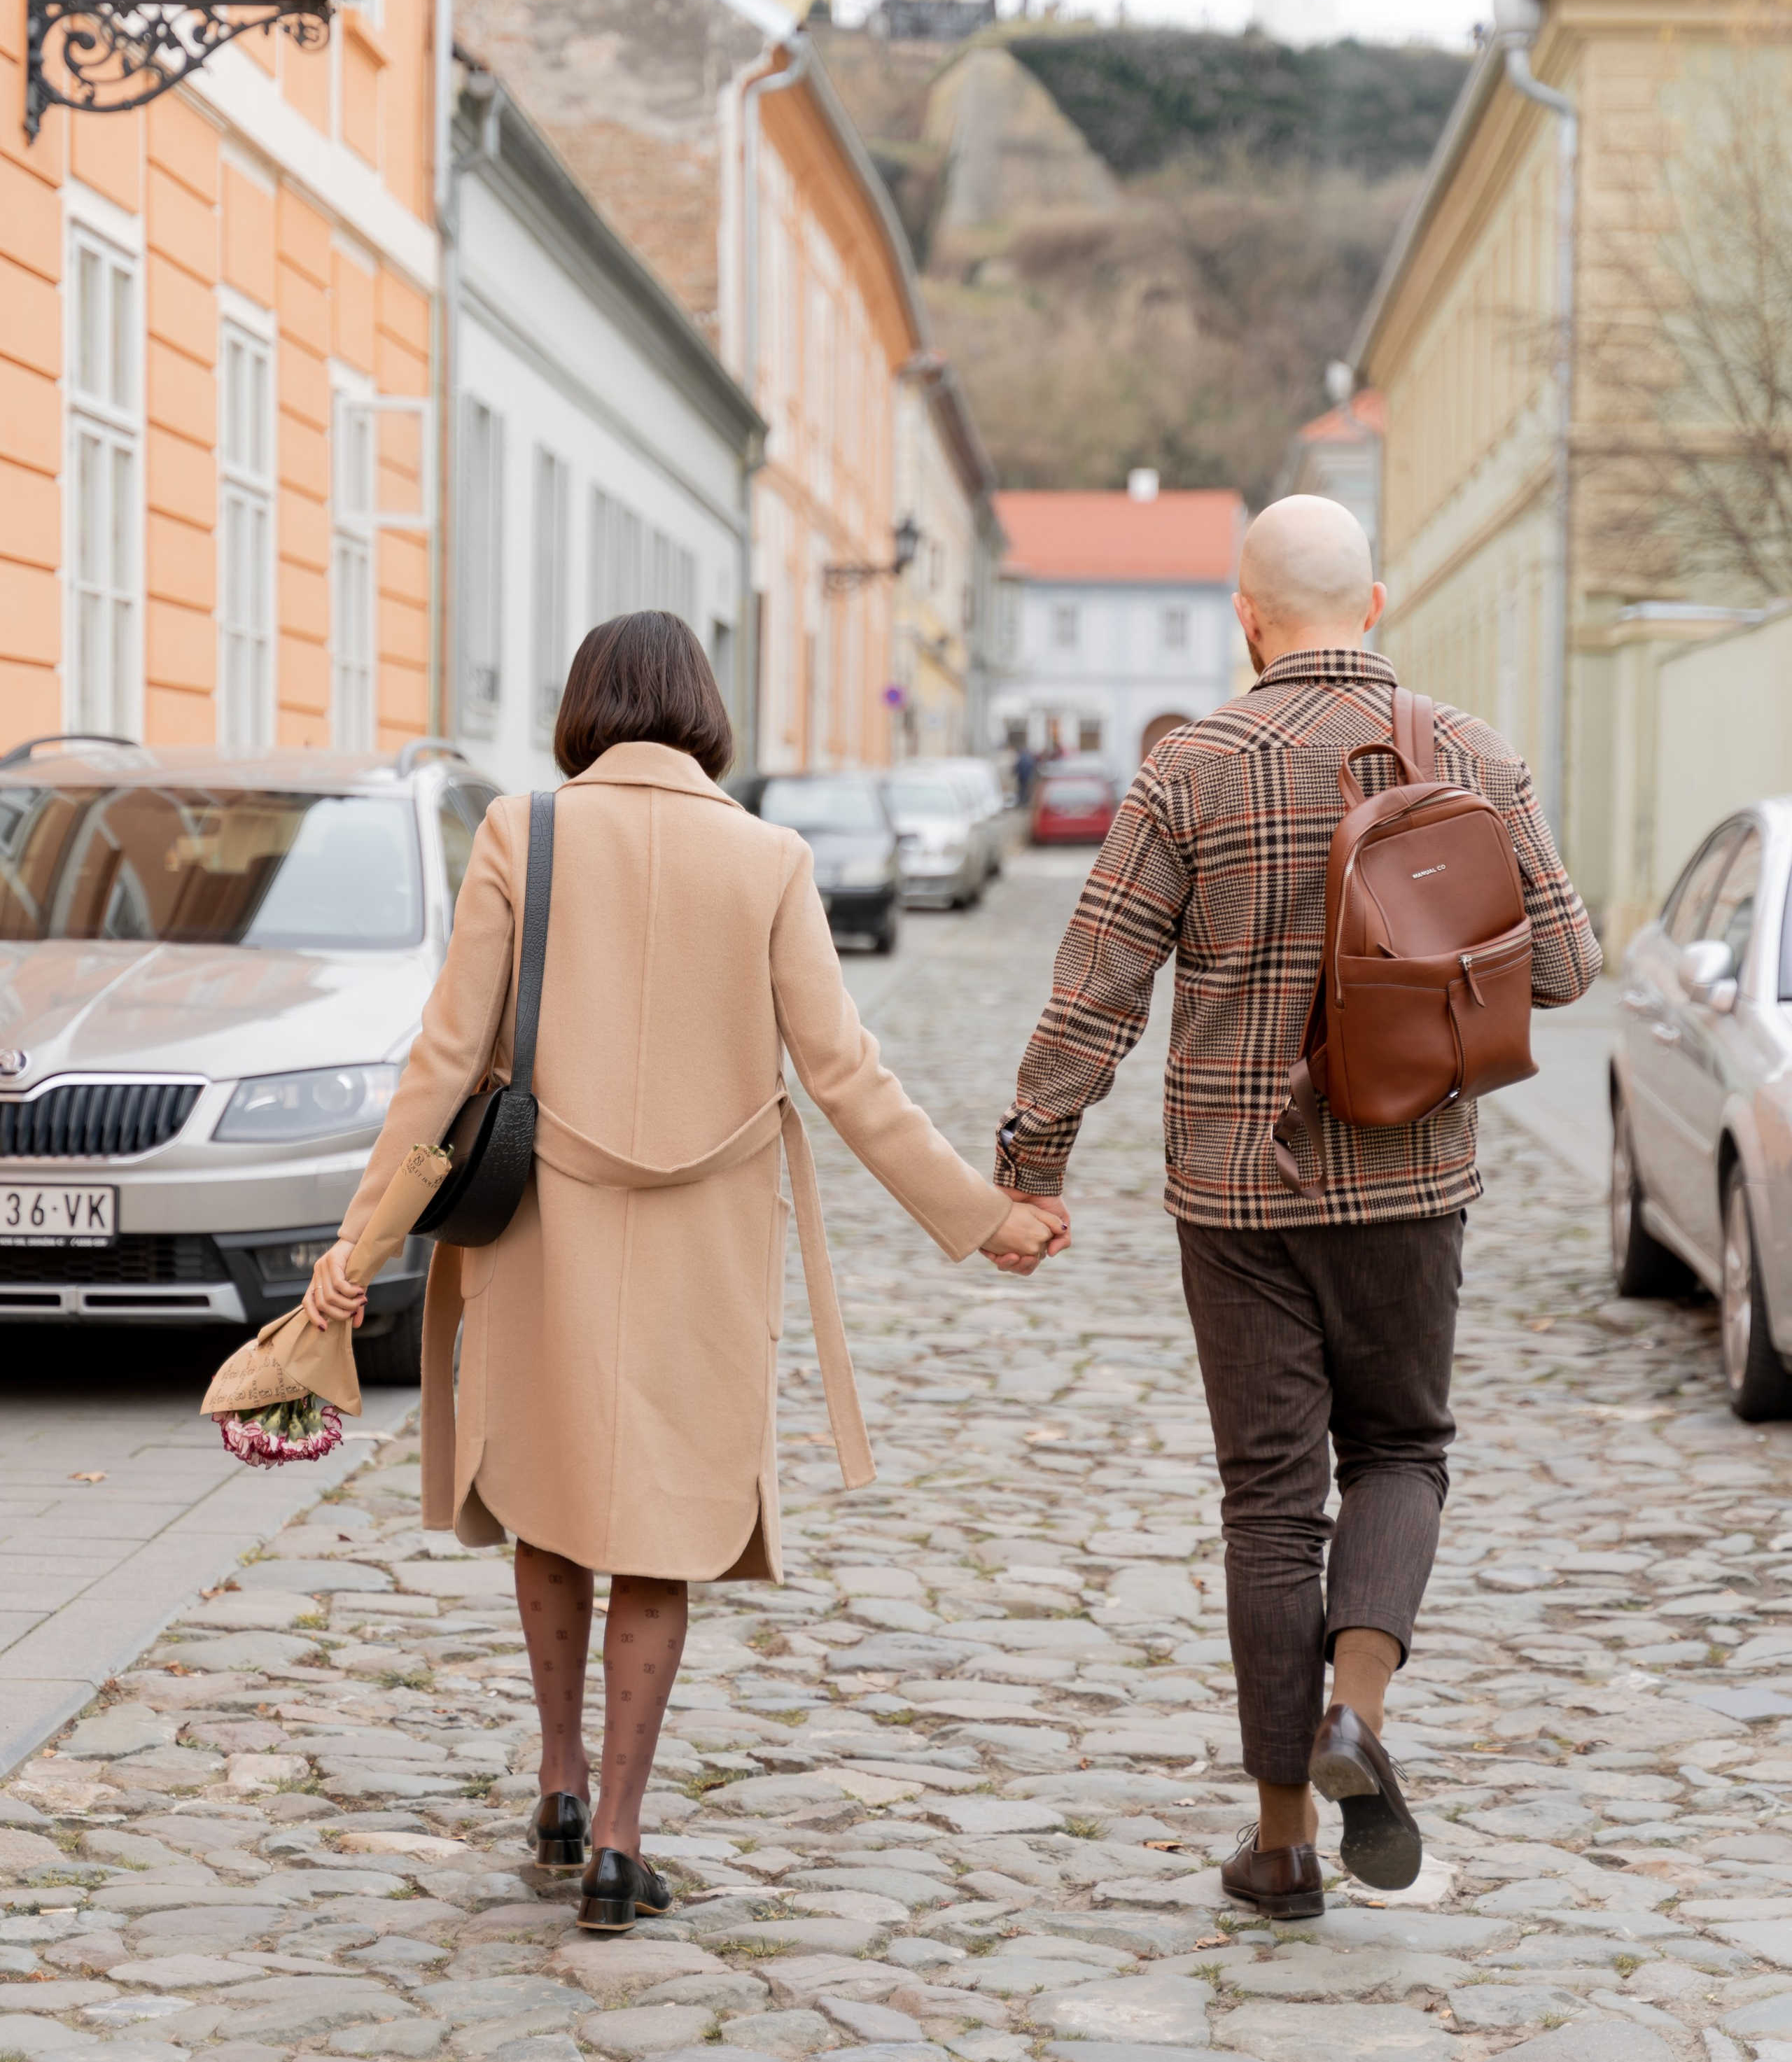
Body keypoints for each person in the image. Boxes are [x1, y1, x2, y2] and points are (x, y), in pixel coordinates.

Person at [309, 611, 1067, 1932]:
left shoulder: (522, 836)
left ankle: (555, 1781)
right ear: (707, 713)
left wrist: (355, 1248)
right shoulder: (769, 857)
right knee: (660, 1524)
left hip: (545, 1221)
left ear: (583, 706)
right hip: (704, 1244)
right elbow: (845, 1074)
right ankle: (617, 1839)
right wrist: (980, 1215)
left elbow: (442, 1065)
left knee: (547, 1500)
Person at [993, 495, 1599, 1919]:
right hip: (1408, 1177)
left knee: (1267, 1505)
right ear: (1373, 605)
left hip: (1234, 1190)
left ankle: (1278, 1848)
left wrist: (1032, 1161)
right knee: (1399, 1448)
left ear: (1244, 616)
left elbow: (1096, 987)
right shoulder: (1468, 752)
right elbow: (1565, 967)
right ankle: (1357, 1717)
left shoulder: (1184, 770)